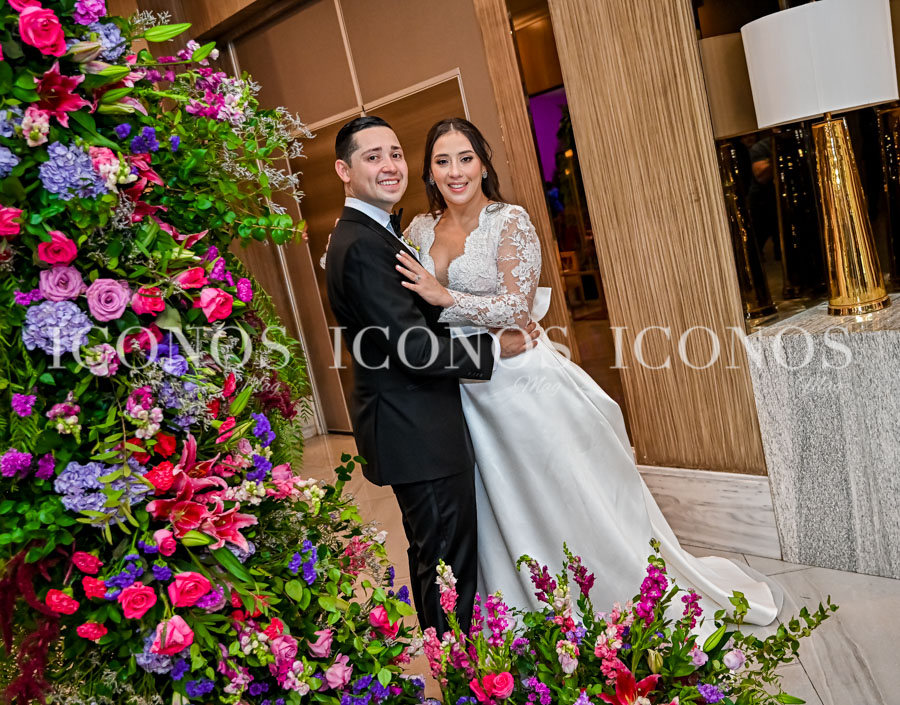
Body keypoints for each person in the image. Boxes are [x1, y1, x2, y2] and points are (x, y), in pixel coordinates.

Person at [393, 117, 781, 625]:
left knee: (555, 495)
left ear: (483, 164)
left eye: (465, 158)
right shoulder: (418, 230)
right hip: (459, 386)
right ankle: (521, 613)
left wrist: (446, 296)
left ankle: (598, 599)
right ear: (429, 172)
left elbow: (516, 306)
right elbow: (400, 302)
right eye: (442, 161)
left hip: (518, 383)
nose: (455, 171)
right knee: (491, 505)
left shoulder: (510, 221)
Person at [324, 116, 539, 634]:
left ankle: (458, 658)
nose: (389, 165)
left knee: (441, 557)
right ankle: (456, 667)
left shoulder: (376, 233)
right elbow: (413, 348)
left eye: (395, 153)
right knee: (445, 564)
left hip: (429, 417)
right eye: (372, 156)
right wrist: (496, 345)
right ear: (344, 171)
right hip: (416, 426)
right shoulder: (361, 244)